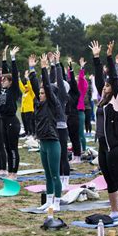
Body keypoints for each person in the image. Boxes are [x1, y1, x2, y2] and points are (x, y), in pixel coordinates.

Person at [91, 40, 118, 225]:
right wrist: (96, 58)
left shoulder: (117, 99)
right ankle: (114, 211)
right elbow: (100, 79)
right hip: (103, 146)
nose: (104, 87)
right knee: (108, 179)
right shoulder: (103, 101)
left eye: (107, 86)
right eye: (104, 87)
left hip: (116, 145)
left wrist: (108, 58)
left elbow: (113, 80)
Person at [29, 54, 63, 211]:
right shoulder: (40, 104)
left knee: (55, 174)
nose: (41, 95)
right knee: (47, 174)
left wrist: (43, 68)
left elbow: (47, 88)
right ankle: (49, 201)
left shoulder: (52, 103)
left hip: (52, 142)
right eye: (40, 93)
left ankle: (57, 203)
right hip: (42, 142)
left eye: (43, 93)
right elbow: (36, 87)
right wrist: (32, 70)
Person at [0, 46, 22, 179]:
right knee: (7, 148)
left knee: (13, 148)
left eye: (5, 80)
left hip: (12, 121)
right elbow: (5, 73)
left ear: (10, 82)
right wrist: (4, 58)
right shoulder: (3, 90)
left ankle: (14, 172)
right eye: (2, 80)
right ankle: (9, 171)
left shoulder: (13, 90)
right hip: (4, 121)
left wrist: (13, 58)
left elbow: (14, 74)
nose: (2, 81)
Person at [49, 51, 70, 190]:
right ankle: (58, 178)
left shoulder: (62, 96)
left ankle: (66, 179)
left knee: (63, 155)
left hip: (62, 128)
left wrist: (57, 64)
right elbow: (49, 83)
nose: (56, 85)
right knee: (56, 156)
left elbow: (59, 82)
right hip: (53, 127)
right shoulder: (52, 97)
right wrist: (50, 64)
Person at [19, 70, 36, 138]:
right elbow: (21, 87)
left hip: (29, 109)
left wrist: (27, 79)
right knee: (25, 122)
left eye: (26, 87)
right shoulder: (24, 92)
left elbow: (30, 87)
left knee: (29, 122)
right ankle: (27, 133)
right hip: (23, 110)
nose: (25, 88)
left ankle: (31, 133)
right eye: (25, 87)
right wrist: (18, 78)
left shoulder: (31, 93)